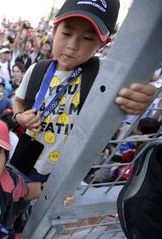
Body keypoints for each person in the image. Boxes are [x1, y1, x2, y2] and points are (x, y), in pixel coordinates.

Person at [12, 0, 156, 182]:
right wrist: (19, 117)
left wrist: (141, 95)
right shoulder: (36, 70)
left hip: (66, 172)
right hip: (26, 160)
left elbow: (136, 84)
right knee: (18, 201)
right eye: (66, 33)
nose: (73, 45)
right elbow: (18, 101)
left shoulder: (105, 76)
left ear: (103, 43)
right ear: (54, 30)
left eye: (87, 38)